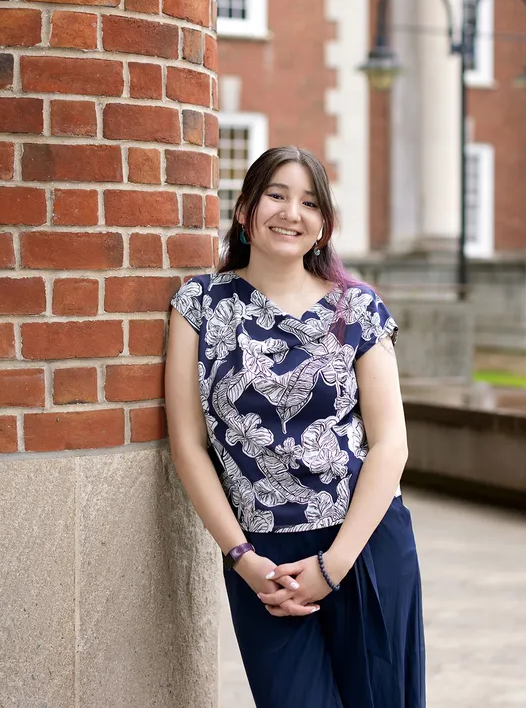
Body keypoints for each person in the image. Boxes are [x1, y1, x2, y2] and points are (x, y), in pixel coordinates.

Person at [165, 146, 426, 707]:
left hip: (363, 544)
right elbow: (187, 444)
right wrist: (242, 558)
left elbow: (390, 446)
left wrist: (333, 568)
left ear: (324, 226)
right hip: (264, 562)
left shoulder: (356, 310)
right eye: (276, 196)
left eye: (310, 202)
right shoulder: (200, 304)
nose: (291, 213)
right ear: (244, 210)